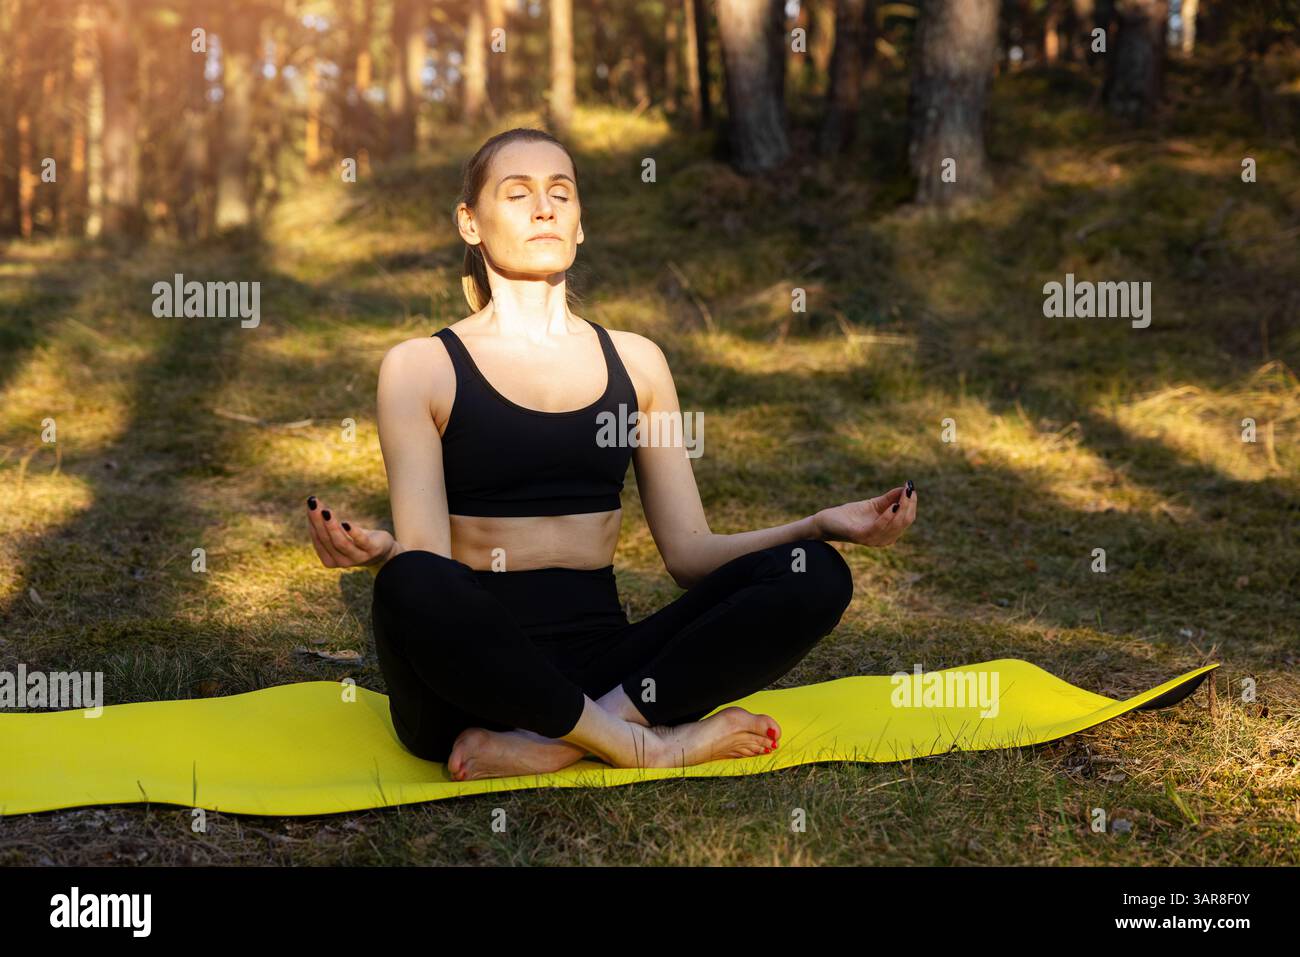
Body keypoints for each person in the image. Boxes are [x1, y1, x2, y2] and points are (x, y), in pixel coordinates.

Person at [304, 128, 918, 782]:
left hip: (604, 665)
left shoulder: (637, 363)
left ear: (579, 224)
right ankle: (647, 746)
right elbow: (430, 560)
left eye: (560, 193)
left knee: (815, 573)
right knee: (411, 579)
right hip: (469, 690)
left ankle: (569, 740)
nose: (544, 208)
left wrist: (819, 525)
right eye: (517, 194)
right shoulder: (420, 367)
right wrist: (384, 554)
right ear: (469, 222)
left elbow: (689, 556)